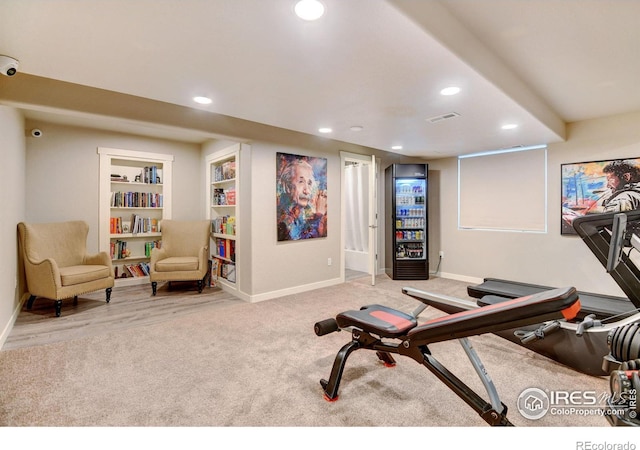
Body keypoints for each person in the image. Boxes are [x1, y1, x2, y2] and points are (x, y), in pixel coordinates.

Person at [277, 157, 327, 241]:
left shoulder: (303, 212)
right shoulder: (283, 220)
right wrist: (319, 215)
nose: (307, 191)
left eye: (309, 183)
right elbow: (301, 240)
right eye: (301, 182)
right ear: (288, 186)